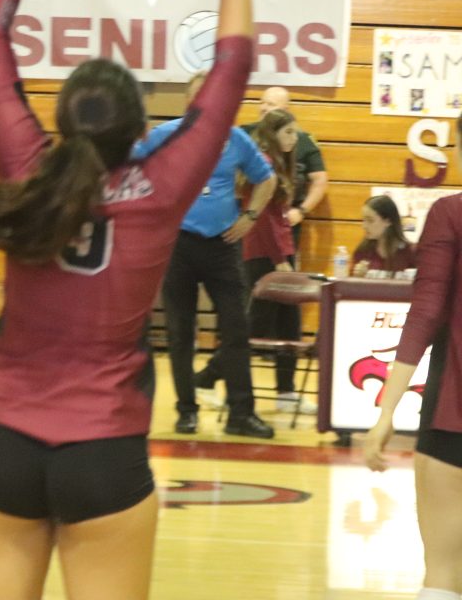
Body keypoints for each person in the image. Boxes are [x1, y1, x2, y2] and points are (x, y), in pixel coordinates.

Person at [0, 0, 254, 599]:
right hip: (102, 452)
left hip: (0, 445)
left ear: (58, 118)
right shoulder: (165, 184)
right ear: (143, 130)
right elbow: (231, 66)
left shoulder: (26, 167)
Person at [135, 72, 277, 438]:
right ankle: (186, 411)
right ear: (188, 100)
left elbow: (268, 178)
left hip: (224, 245)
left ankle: (240, 415)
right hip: (178, 246)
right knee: (180, 332)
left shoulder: (236, 139)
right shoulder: (166, 136)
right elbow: (130, 167)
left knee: (236, 330)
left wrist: (251, 216)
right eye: (199, 97)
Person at [364, 114, 462, 600]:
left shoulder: (450, 213)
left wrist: (386, 413)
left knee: (443, 575)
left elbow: (423, 316)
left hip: (453, 419)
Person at [242, 109, 314, 415]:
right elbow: (265, 221)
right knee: (255, 325)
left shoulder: (279, 164)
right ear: (273, 134)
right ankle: (208, 377)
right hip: (265, 256)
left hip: (279, 254)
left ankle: (286, 392)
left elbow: (280, 219)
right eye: (288, 132)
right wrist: (280, 260)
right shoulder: (264, 166)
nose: (293, 137)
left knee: (288, 324)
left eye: (294, 132)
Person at [248, 86, 329, 250]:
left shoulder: (302, 140)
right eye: (261, 102)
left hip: (283, 221)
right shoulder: (245, 134)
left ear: (285, 110)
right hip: (250, 221)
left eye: (270, 104)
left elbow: (320, 180)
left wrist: (301, 211)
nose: (263, 107)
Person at [353, 195, 417, 277]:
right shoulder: (362, 252)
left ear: (388, 221)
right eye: (363, 220)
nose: (364, 226)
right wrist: (358, 277)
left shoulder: (411, 252)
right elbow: (350, 288)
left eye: (370, 220)